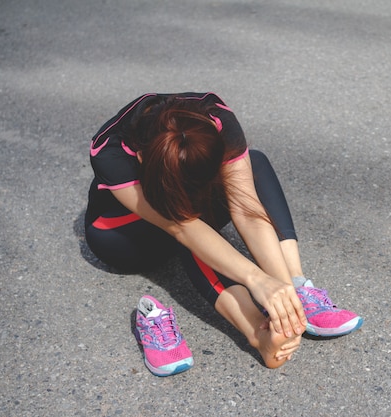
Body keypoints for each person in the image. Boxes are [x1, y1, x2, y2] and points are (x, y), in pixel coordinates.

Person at [84, 92, 363, 375]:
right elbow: (182, 227)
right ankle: (258, 333)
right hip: (121, 236)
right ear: (142, 158)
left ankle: (298, 289)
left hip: (181, 210)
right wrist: (257, 280)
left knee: (254, 163)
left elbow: (246, 208)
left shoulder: (216, 117)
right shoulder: (110, 151)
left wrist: (282, 289)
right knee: (188, 214)